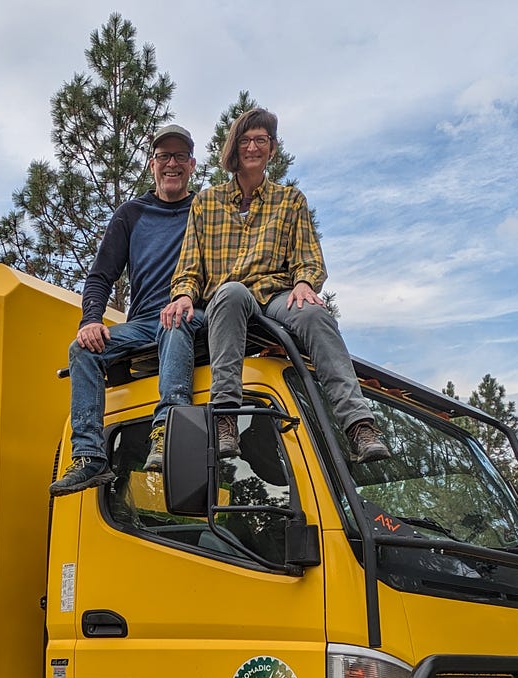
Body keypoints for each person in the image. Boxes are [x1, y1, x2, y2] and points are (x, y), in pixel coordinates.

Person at [161, 107, 390, 463]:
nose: (253, 147)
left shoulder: (291, 201)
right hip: (228, 300)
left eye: (261, 140)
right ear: (234, 147)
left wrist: (303, 282)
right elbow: (189, 265)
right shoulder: (206, 203)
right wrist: (183, 295)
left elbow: (309, 259)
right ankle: (225, 417)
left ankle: (359, 426)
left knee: (313, 313)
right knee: (232, 292)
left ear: (272, 148)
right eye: (246, 140)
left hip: (275, 295)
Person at [50, 124, 208, 494]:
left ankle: (166, 428)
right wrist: (90, 320)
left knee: (176, 320)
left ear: (192, 164)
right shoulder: (131, 214)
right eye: (164, 157)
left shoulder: (206, 210)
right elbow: (100, 276)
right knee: (82, 351)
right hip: (143, 325)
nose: (172, 164)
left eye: (180, 156)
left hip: (191, 318)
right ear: (152, 164)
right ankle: (90, 456)